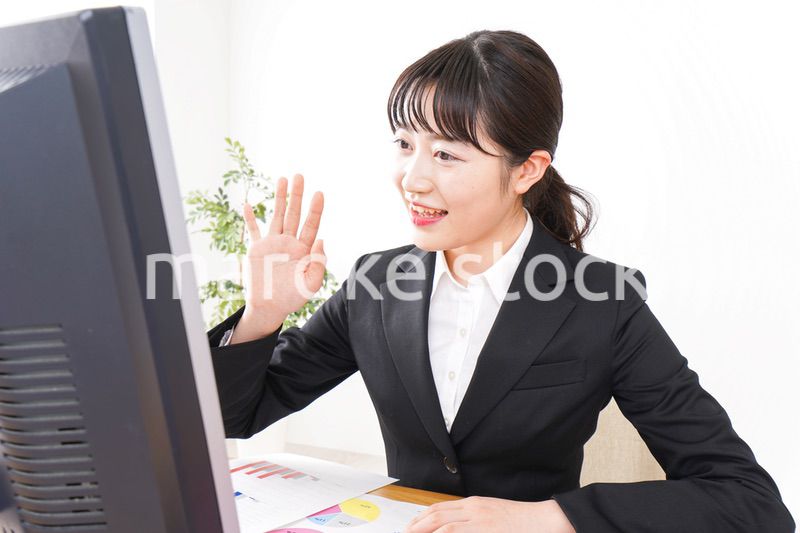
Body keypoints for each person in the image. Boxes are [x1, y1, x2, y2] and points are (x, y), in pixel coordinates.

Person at [207, 30, 795, 532]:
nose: (412, 178)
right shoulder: (377, 283)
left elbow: (748, 501)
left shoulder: (602, 302)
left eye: (447, 156)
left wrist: (544, 518)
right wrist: (264, 313)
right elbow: (235, 418)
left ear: (527, 170)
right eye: (406, 145)